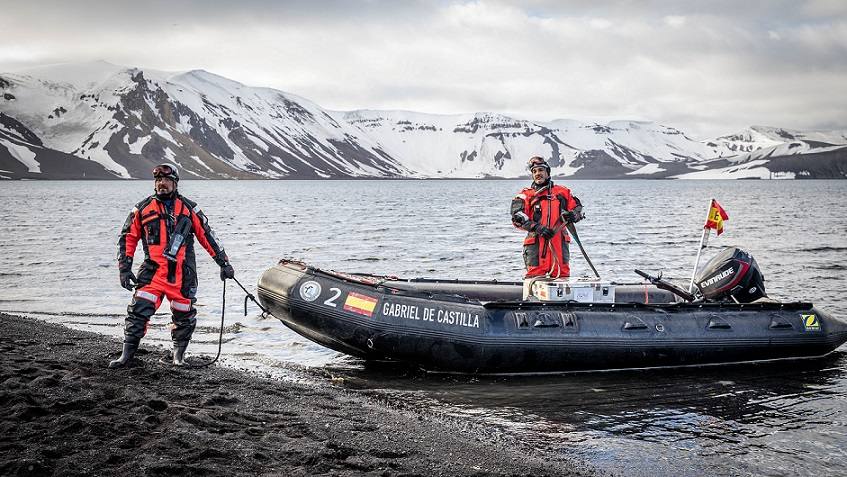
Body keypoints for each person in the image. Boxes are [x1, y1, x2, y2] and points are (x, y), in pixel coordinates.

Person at [110, 163, 235, 368]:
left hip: (183, 274)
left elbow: (208, 237)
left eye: (167, 180)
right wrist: (124, 268)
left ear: (175, 183)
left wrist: (224, 264)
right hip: (153, 273)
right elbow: (127, 238)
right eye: (159, 180)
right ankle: (126, 356)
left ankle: (178, 357)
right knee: (137, 312)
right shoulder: (141, 209)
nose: (162, 184)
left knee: (184, 317)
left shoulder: (189, 209)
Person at [510, 156, 583, 278]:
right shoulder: (526, 195)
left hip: (559, 244)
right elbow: (517, 216)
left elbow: (578, 209)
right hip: (536, 246)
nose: (537, 173)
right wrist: (538, 228)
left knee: (562, 277)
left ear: (547, 173)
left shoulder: (563, 192)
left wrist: (573, 215)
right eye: (534, 171)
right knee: (534, 278)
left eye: (540, 170)